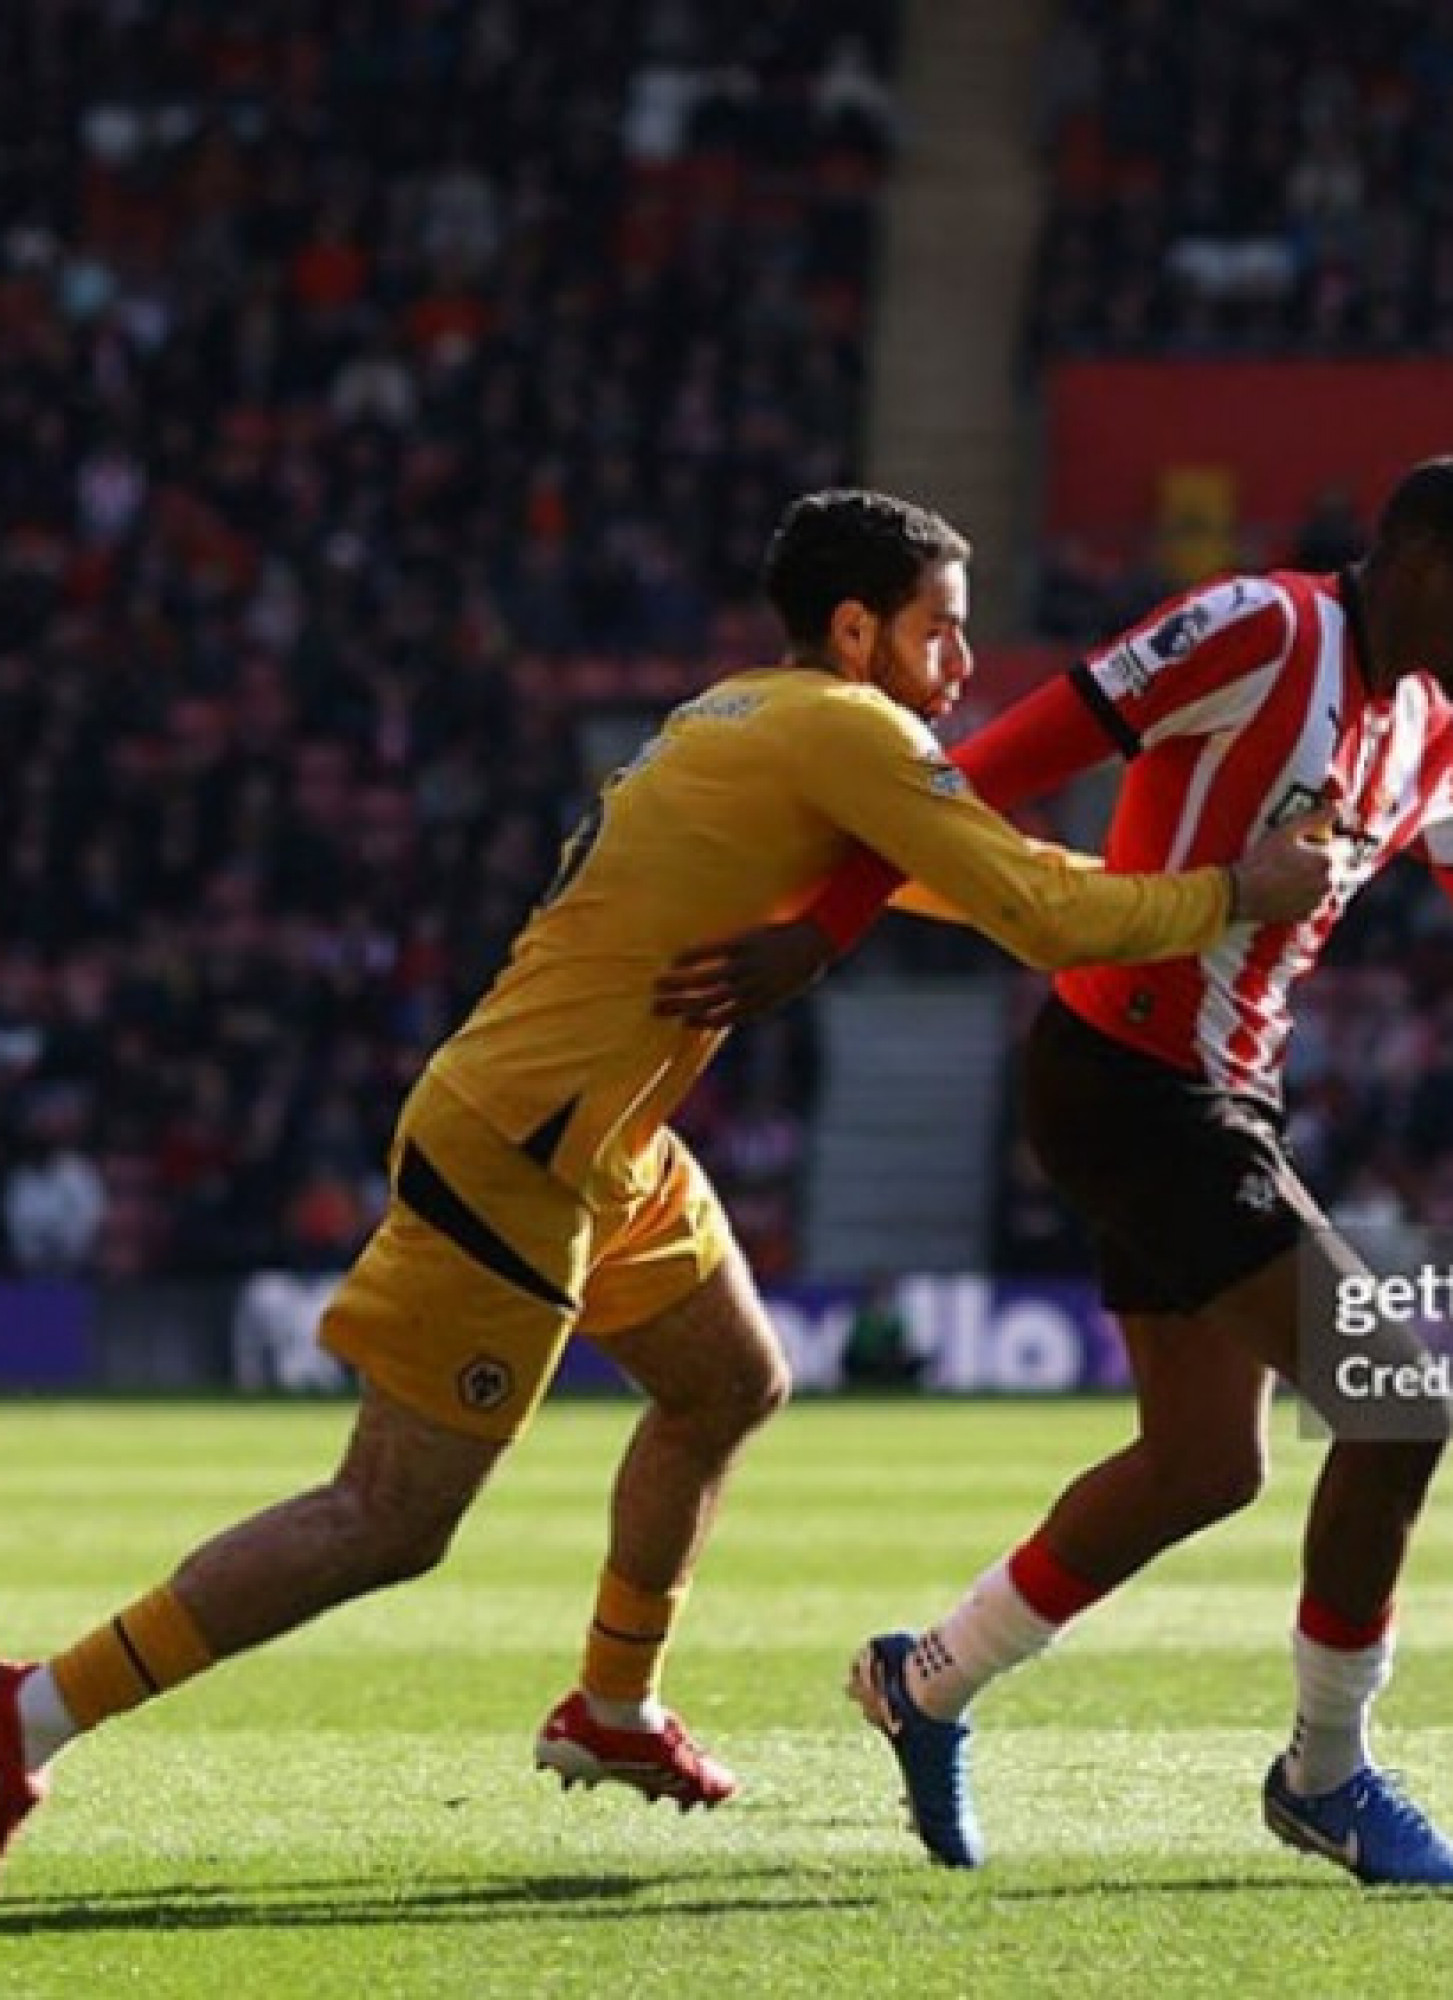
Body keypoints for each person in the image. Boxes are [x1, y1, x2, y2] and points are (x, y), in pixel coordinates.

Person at [0, 488, 1342, 1872]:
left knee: (728, 1384)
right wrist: (1237, 890)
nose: (960, 667)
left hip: (604, 1144)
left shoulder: (739, 712)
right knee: (386, 1519)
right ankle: (29, 1713)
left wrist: (1120, 886)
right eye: (942, 633)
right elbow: (1033, 911)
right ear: (855, 627)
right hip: (522, 1146)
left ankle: (613, 1703)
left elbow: (957, 878)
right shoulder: (846, 726)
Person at [655, 456, 1453, 1887]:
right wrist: (828, 929)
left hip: (1215, 1096)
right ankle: (1326, 1774)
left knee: (1202, 1464)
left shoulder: (1436, 735)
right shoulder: (1260, 629)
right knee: (1400, 1406)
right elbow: (979, 772)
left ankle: (924, 1683)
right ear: (1408, 557)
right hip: (1132, 1089)